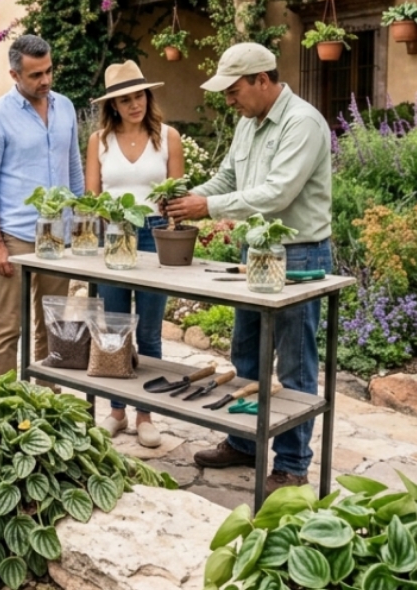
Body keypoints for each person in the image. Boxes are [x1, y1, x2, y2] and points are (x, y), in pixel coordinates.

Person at [165, 42, 333, 497]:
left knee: (295, 363)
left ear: (263, 80)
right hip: (255, 251)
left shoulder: (302, 123)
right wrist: (186, 196)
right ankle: (244, 442)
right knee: (245, 354)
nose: (229, 100)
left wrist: (209, 207)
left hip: (298, 255)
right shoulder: (247, 124)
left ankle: (294, 465)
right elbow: (227, 179)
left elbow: (278, 194)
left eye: (234, 90)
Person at [85, 60, 184, 448]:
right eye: (124, 100)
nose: (134, 105)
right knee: (113, 328)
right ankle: (117, 411)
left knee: (149, 330)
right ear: (112, 105)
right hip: (114, 234)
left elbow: (174, 196)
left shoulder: (168, 137)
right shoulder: (99, 142)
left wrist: (174, 238)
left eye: (138, 96)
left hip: (154, 235)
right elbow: (93, 198)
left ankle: (146, 415)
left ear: (148, 95)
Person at [0, 35, 84, 377]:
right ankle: (3, 405)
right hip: (17, 236)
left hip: (59, 234)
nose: (45, 81)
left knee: (53, 326)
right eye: (36, 75)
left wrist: (79, 227)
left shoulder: (64, 107)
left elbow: (74, 170)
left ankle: (46, 402)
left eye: (49, 71)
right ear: (14, 74)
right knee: (9, 327)